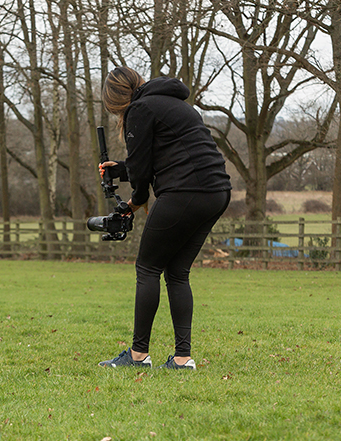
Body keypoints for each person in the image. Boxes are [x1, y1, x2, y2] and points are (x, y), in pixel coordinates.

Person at [97, 67, 231, 369]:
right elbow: (153, 159)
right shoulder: (174, 103)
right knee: (177, 271)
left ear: (115, 99)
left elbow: (143, 173)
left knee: (147, 267)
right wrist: (119, 169)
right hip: (217, 192)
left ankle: (138, 354)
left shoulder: (139, 109)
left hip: (185, 191)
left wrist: (136, 200)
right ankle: (183, 358)